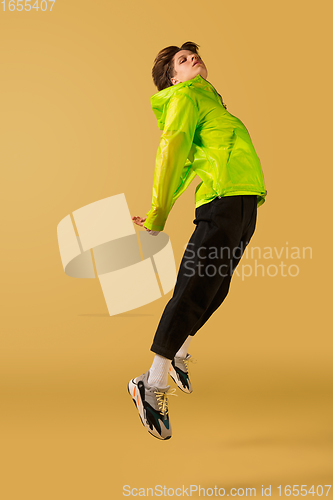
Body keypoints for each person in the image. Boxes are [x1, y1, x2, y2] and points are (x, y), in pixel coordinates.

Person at [128, 41, 267, 440]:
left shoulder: (210, 103)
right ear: (173, 79)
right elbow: (171, 153)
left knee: (216, 290)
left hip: (242, 203)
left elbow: (190, 161)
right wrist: (157, 212)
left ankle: (178, 355)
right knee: (193, 289)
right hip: (221, 203)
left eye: (193, 55)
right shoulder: (185, 97)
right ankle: (150, 384)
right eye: (183, 61)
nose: (193, 60)